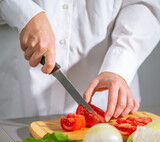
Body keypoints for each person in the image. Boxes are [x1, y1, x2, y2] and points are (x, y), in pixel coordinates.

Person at [0, 1, 160, 120]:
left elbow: (144, 5)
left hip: (105, 103)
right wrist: (24, 12)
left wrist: (119, 66)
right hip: (19, 97)